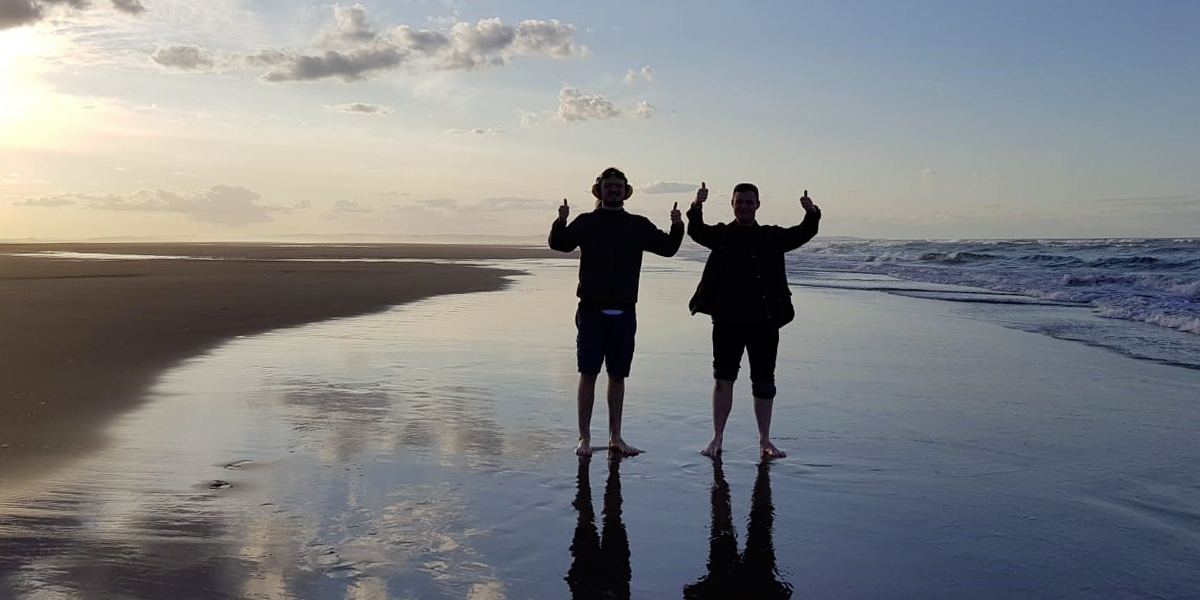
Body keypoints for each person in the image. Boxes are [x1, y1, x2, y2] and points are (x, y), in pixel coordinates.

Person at [550, 167, 683, 457]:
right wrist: (560, 222)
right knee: (588, 373)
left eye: (618, 186)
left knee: (618, 376)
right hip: (591, 311)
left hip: (624, 311)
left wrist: (677, 225)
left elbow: (668, 248)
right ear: (600, 190)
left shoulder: (637, 225)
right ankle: (584, 438)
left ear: (626, 191)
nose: (613, 190)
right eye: (608, 185)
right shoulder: (586, 222)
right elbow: (560, 244)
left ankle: (616, 438)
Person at [686, 182, 820, 458]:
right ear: (732, 204)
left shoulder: (771, 237)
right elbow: (697, 231)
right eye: (739, 202)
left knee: (764, 383)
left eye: (749, 202)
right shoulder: (722, 235)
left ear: (757, 205)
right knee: (723, 379)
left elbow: (804, 232)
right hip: (727, 321)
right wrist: (697, 205)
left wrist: (811, 212)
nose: (744, 206)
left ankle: (764, 441)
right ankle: (717, 437)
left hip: (765, 321)